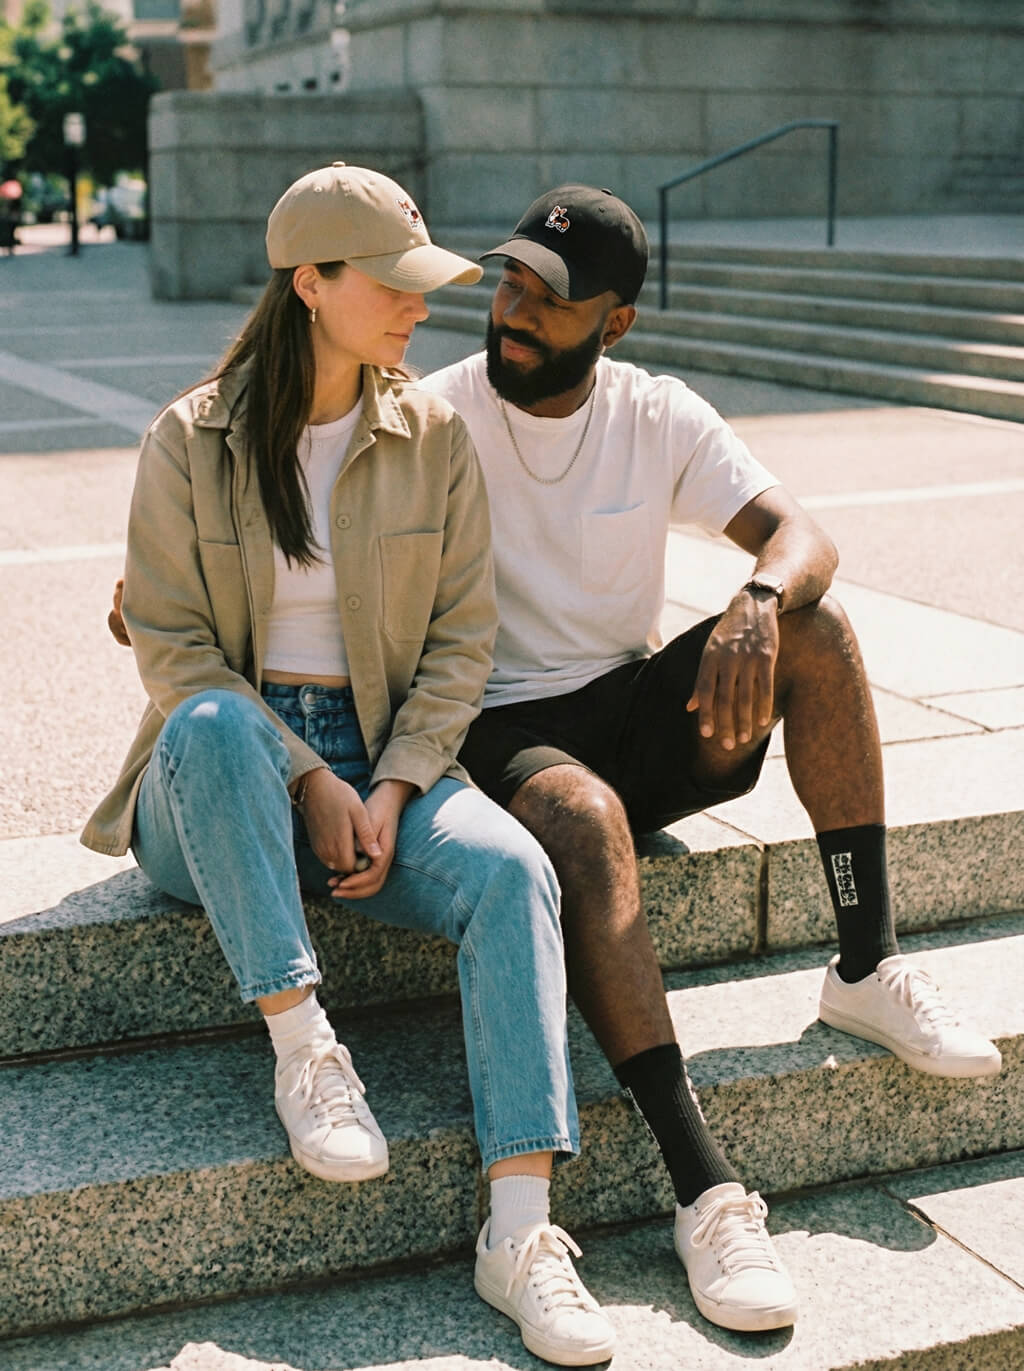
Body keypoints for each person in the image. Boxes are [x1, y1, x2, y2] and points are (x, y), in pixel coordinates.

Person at [412, 184, 1003, 1334]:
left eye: (550, 297)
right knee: (583, 817)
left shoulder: (654, 410)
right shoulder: (438, 417)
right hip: (497, 727)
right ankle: (707, 1189)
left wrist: (758, 601)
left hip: (627, 709)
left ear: (616, 323)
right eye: (509, 281)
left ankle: (865, 965)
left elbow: (806, 536)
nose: (513, 311)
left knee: (816, 627)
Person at [84, 163, 616, 1367]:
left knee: (513, 871)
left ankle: (521, 1235)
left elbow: (459, 642)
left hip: (385, 761)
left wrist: (385, 785)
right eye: (391, 285)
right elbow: (173, 651)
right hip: (216, 779)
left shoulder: (432, 435)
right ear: (312, 284)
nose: (419, 309)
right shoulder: (190, 438)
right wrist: (303, 778)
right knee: (216, 728)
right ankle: (306, 1053)